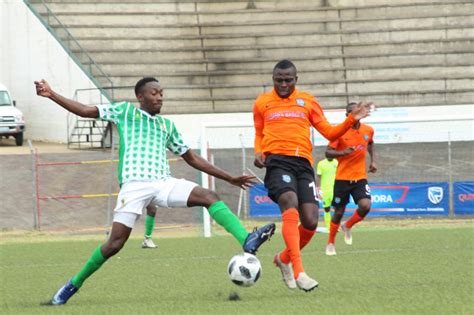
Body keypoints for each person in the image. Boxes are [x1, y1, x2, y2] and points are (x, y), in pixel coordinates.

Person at [35, 77, 276, 305]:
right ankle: (72, 285)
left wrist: (229, 177)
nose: (160, 97)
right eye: (154, 93)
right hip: (134, 185)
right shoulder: (125, 112)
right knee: (114, 245)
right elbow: (85, 111)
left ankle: (247, 239)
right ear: (140, 97)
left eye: (161, 93)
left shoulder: (166, 125)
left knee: (209, 196)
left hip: (163, 182)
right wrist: (51, 94)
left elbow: (191, 157)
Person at [252, 59, 372, 292]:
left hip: (303, 164)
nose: (283, 84)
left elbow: (328, 131)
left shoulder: (307, 101)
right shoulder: (262, 102)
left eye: (288, 80)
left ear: (296, 80)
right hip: (277, 161)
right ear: (273, 79)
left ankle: (283, 259)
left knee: (309, 220)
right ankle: (300, 272)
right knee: (290, 202)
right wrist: (259, 151)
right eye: (279, 80)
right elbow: (258, 132)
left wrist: (351, 119)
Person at [325, 102, 377, 256]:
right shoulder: (340, 132)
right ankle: (330, 243)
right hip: (342, 179)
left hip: (360, 178)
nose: (351, 114)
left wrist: (373, 160)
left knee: (365, 206)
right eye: (349, 112)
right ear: (347, 115)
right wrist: (343, 153)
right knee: (339, 211)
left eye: (354, 111)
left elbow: (371, 143)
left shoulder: (368, 130)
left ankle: (347, 226)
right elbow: (328, 153)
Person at [315, 154, 338, 230]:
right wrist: (318, 189)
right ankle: (329, 227)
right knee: (327, 209)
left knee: (337, 208)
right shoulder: (321, 163)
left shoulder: (337, 163)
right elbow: (318, 176)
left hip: (335, 189)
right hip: (325, 191)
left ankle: (335, 226)